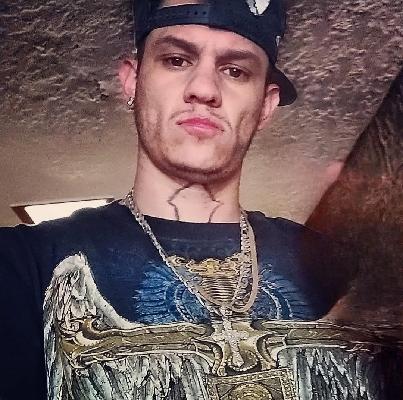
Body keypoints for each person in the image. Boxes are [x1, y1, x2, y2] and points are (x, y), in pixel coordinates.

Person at [0, 0, 357, 399]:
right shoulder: (23, 264)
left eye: (235, 71)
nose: (204, 89)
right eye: (176, 60)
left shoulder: (343, 271)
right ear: (132, 81)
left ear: (265, 106)